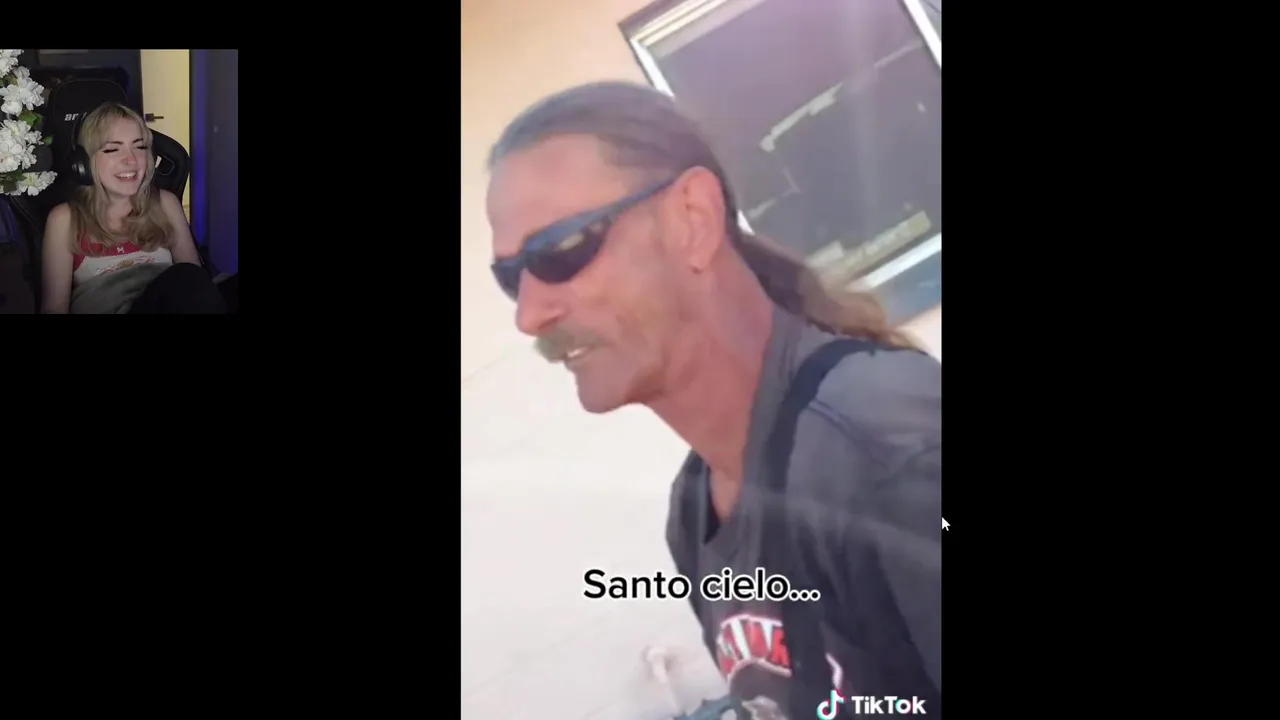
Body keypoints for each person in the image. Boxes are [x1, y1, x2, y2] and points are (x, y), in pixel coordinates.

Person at [485, 82, 941, 719]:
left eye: (560, 252)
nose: (530, 315)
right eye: (510, 278)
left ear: (692, 220)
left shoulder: (888, 452)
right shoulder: (696, 508)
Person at [39, 102, 227, 314]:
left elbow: (196, 284)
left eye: (140, 147)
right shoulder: (64, 219)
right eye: (112, 149)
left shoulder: (165, 203)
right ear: (83, 163)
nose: (131, 160)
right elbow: (55, 308)